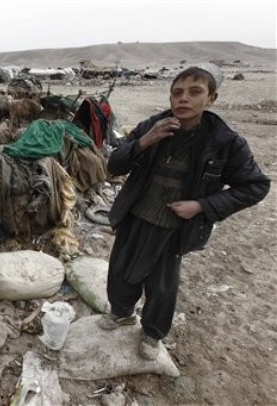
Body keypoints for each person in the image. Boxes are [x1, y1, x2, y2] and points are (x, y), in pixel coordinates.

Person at [99, 64, 270, 360]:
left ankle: (152, 334)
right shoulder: (153, 125)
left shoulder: (225, 141)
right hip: (135, 215)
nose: (183, 98)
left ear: (211, 99)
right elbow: (115, 165)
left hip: (175, 227)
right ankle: (122, 313)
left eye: (194, 92)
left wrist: (202, 206)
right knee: (121, 270)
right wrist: (144, 141)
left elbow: (256, 186)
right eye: (177, 92)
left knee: (162, 285)